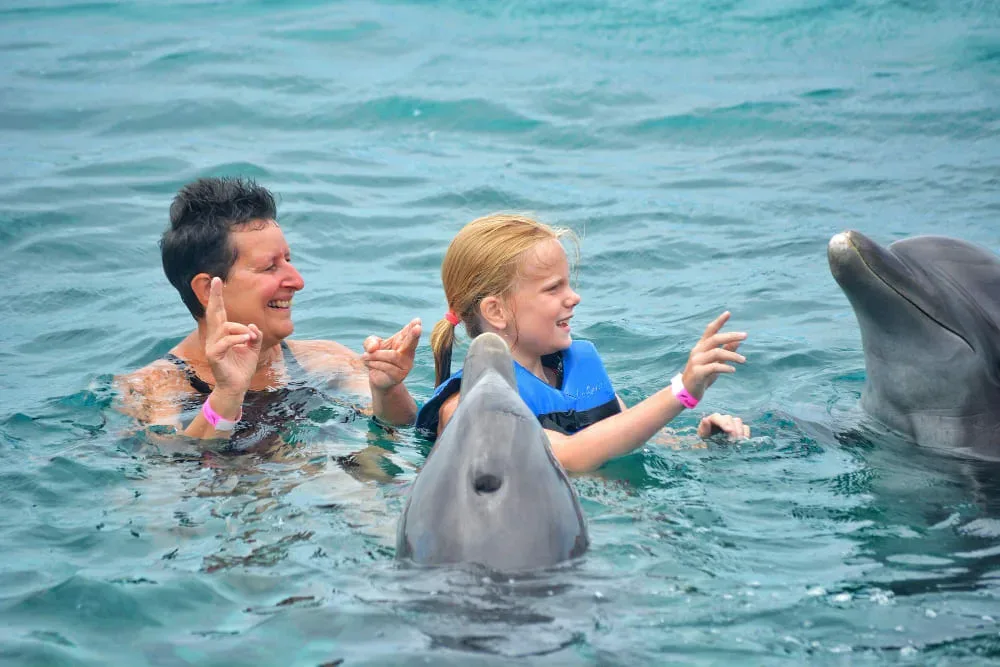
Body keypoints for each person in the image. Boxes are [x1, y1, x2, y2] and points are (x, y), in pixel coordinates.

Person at [415, 213, 750, 473]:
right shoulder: (469, 405)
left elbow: (630, 437)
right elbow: (567, 457)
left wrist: (702, 443)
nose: (573, 297)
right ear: (496, 311)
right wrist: (682, 391)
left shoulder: (574, 370)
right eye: (553, 288)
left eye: (569, 284)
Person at [117, 177, 420, 449]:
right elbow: (166, 473)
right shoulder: (153, 387)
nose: (297, 282)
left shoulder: (326, 360)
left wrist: (388, 389)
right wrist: (226, 394)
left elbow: (402, 430)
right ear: (209, 290)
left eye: (288, 260)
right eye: (269, 267)